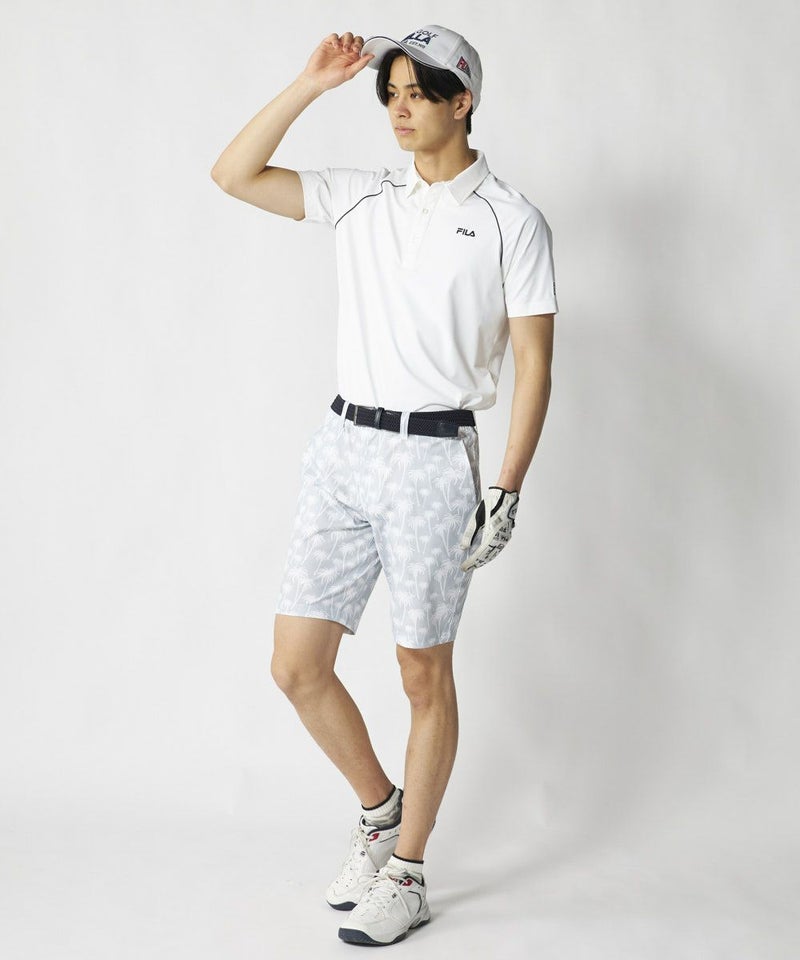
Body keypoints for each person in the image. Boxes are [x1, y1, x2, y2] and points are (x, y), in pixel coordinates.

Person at [210, 24, 558, 947]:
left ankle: (408, 871)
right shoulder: (362, 196)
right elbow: (233, 175)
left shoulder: (511, 220)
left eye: (419, 93)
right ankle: (379, 811)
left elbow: (534, 364)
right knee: (296, 665)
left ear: (462, 101)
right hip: (343, 446)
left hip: (434, 458)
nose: (400, 109)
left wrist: (508, 486)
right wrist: (310, 84)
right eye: (391, 92)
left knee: (421, 672)